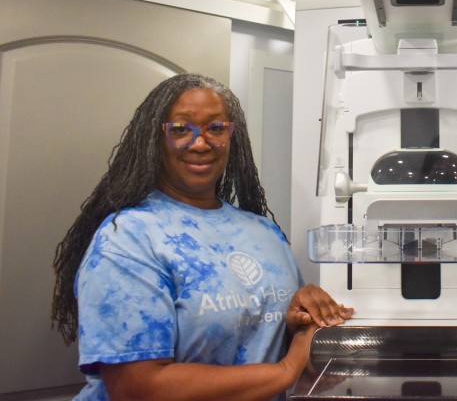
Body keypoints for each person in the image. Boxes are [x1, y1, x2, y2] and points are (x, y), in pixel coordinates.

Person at [52, 73, 353, 400]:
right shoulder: (129, 237)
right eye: (181, 129)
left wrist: (300, 317)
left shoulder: (263, 232)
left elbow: (259, 333)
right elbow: (138, 388)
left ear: (231, 136)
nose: (200, 142)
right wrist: (287, 370)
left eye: (215, 128)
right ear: (156, 138)